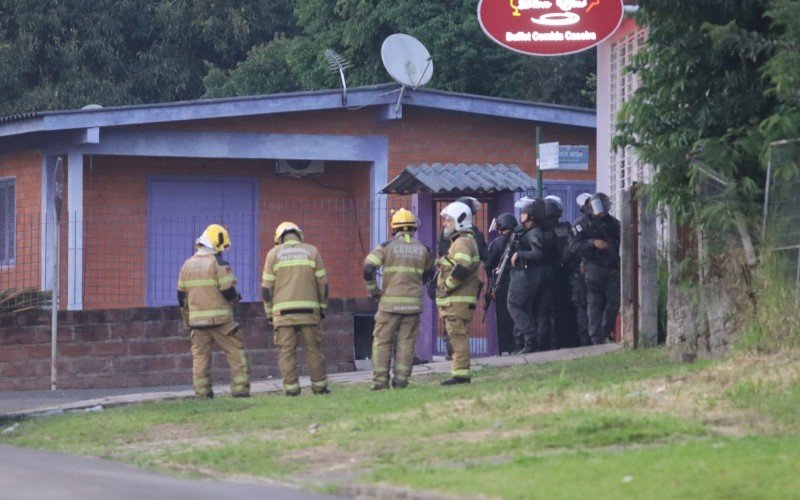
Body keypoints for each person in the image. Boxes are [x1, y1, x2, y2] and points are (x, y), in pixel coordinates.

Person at [364, 208, 435, 390]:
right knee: (407, 343)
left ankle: (380, 382)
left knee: (382, 341)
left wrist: (374, 291)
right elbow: (429, 274)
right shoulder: (423, 249)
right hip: (413, 306)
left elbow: (368, 268)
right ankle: (401, 381)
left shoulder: (386, 247)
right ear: (413, 228)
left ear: (393, 227)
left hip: (389, 306)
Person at [177, 224, 250, 399]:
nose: (223, 251)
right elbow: (227, 291)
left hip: (197, 322)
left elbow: (181, 297)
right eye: (222, 247)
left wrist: (187, 320)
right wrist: (236, 297)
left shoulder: (187, 265)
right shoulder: (218, 263)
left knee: (200, 357)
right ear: (216, 242)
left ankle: (202, 393)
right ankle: (240, 390)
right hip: (221, 321)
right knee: (236, 352)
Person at [262, 222, 330, 396]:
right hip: (309, 312)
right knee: (313, 350)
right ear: (299, 235)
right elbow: (322, 284)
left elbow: (266, 288)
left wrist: (269, 312)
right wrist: (322, 308)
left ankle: (292, 390)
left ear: (279, 238)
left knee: (286, 352)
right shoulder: (312, 252)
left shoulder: (273, 254)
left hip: (283, 315)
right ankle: (320, 387)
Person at [436, 196, 487, 361]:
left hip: (456, 296)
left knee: (457, 336)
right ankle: (458, 370)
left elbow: (462, 266)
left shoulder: (462, 241)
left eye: (448, 221)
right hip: (455, 297)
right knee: (455, 333)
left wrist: (446, 286)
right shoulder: (469, 237)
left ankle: (460, 373)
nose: (444, 224)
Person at [569, 193, 621, 345]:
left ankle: (605, 331)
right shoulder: (582, 224)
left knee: (615, 300)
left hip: (611, 266)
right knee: (594, 303)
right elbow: (573, 246)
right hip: (593, 266)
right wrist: (592, 243)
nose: (602, 214)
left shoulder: (613, 223)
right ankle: (596, 337)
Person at [507, 198, 548, 354]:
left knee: (513, 304)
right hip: (521, 273)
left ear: (531, 215)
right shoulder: (521, 230)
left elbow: (537, 254)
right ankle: (528, 342)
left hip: (527, 274)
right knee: (524, 307)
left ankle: (530, 338)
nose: (521, 216)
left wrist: (519, 253)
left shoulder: (534, 232)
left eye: (524, 213)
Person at [544, 196, 578, 348]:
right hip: (569, 273)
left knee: (555, 311)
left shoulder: (546, 232)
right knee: (569, 309)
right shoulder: (567, 227)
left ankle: (558, 343)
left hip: (554, 275)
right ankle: (571, 341)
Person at [485, 213, 518, 354]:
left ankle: (506, 348)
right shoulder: (519, 239)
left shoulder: (497, 243)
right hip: (518, 281)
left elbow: (488, 264)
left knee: (503, 318)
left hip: (502, 283)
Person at [566, 193, 593, 346]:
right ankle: (586, 342)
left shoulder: (598, 222)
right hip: (580, 274)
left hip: (595, 270)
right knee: (582, 307)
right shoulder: (579, 224)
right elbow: (573, 248)